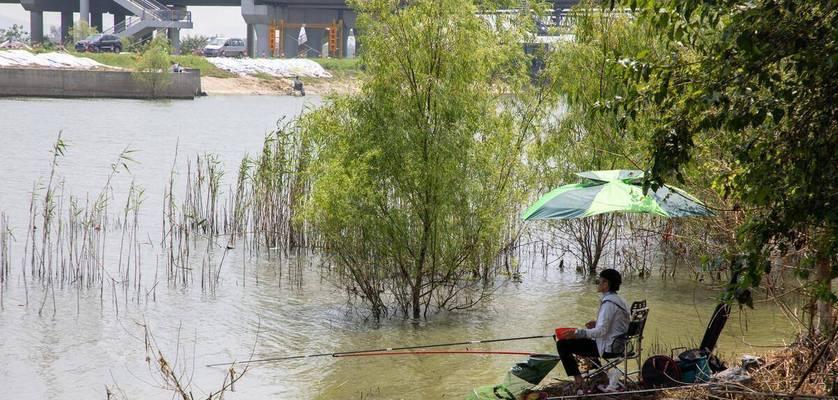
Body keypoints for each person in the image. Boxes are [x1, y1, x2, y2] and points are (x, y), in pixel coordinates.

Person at [555, 268, 630, 387]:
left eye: (599, 281)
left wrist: (577, 333)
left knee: (562, 344)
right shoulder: (620, 300)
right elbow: (618, 324)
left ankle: (578, 380)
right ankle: (600, 373)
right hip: (619, 344)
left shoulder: (609, 304)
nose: (597, 284)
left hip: (608, 348)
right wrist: (596, 323)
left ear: (606, 284)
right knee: (585, 337)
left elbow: (601, 331)